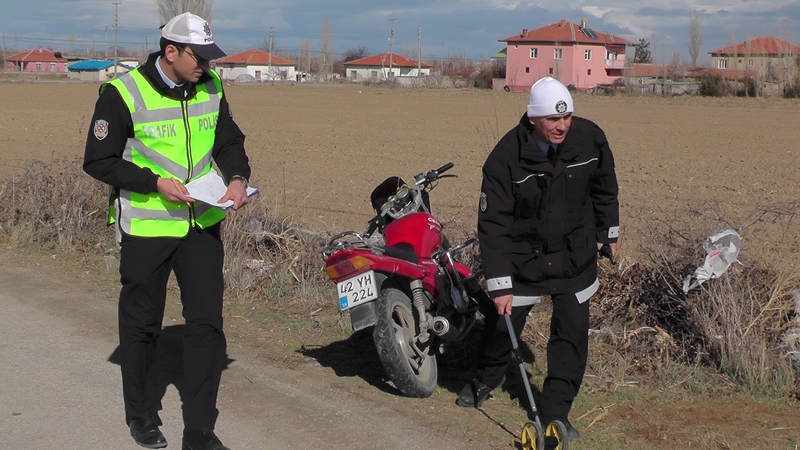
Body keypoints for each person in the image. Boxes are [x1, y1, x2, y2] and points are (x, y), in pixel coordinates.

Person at [83, 12, 251, 450]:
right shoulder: (123, 92)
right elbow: (99, 160)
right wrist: (154, 182)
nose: (207, 67)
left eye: (211, 59)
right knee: (141, 325)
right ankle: (141, 416)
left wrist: (236, 176)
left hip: (201, 225)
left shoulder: (211, 86)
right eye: (200, 57)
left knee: (206, 325)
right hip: (147, 227)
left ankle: (199, 430)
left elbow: (229, 139)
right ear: (170, 51)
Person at [457, 77, 619, 440]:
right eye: (552, 120)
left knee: (571, 336)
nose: (562, 126)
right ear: (533, 118)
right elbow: (494, 224)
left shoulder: (589, 139)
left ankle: (555, 414)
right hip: (523, 261)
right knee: (503, 328)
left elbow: (605, 186)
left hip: (574, 257)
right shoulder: (505, 158)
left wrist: (608, 233)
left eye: (567, 118)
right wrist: (500, 284)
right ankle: (486, 378)